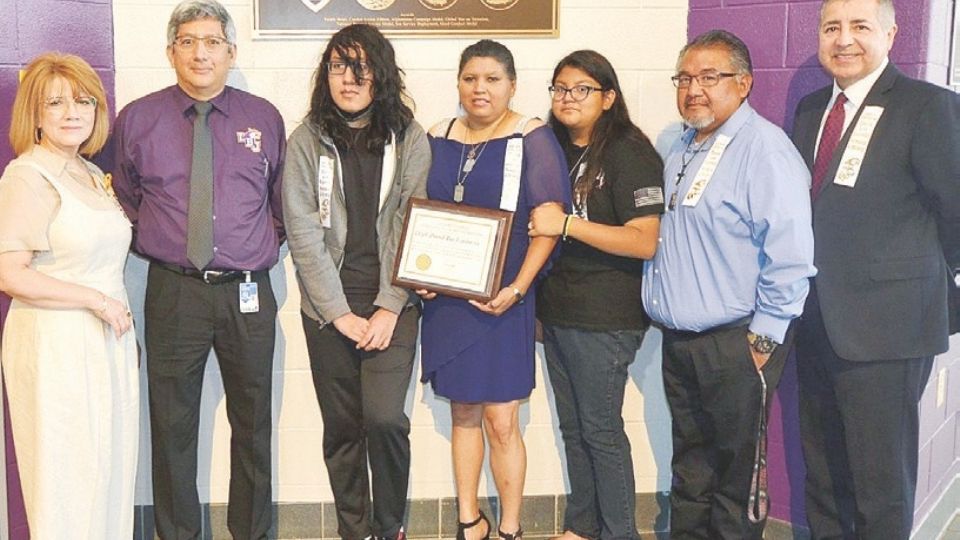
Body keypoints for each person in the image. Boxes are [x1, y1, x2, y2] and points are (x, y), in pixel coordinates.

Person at [100, 1, 286, 537]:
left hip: (247, 291)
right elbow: (125, 201)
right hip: (174, 290)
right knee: (172, 424)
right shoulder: (138, 119)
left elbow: (280, 205)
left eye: (212, 42)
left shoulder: (263, 117)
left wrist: (248, 247)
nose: (200, 53)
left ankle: (251, 532)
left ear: (231, 52)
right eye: (188, 41)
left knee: (253, 423)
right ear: (170, 52)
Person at [790, 0, 960, 537]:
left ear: (890, 35)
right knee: (823, 473)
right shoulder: (811, 110)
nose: (844, 39)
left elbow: (955, 211)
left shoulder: (927, 106)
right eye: (831, 28)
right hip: (815, 320)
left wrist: (923, 286)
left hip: (888, 329)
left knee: (880, 486)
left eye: (860, 26)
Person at [641, 30, 816, 539]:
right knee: (691, 467)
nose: (694, 89)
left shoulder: (765, 150)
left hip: (737, 341)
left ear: (744, 83)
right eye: (684, 78)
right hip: (681, 342)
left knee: (736, 477)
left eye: (709, 77)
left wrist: (764, 338)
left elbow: (791, 255)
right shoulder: (678, 143)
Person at [282, 24, 430, 540]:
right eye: (338, 66)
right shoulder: (306, 140)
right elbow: (303, 233)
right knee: (342, 427)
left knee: (386, 420)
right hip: (328, 308)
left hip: (393, 303)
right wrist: (339, 313)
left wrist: (390, 304)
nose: (349, 78)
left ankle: (390, 528)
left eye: (361, 67)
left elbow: (413, 222)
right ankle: (355, 530)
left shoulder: (409, 137)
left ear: (381, 74)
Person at [418, 39, 570, 540]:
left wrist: (518, 289)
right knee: (462, 411)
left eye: (492, 79)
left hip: (504, 301)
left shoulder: (532, 136)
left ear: (512, 85)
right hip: (448, 301)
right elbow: (417, 212)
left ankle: (509, 527)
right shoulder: (437, 134)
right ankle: (469, 520)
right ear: (458, 83)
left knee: (502, 420)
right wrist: (421, 277)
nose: (479, 88)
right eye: (470, 78)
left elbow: (547, 225)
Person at [0, 52, 137, 538]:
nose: (72, 112)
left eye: (83, 101)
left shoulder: (88, 173)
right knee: (68, 478)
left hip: (105, 343)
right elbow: (10, 274)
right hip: (57, 345)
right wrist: (95, 300)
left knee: (107, 469)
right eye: (55, 103)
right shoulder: (27, 176)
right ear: (35, 114)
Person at [528, 50, 663, 540]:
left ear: (608, 97)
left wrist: (568, 224)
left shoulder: (630, 152)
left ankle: (620, 532)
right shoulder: (549, 149)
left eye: (582, 89)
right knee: (574, 430)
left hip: (606, 318)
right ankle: (583, 528)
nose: (568, 98)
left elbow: (644, 240)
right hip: (558, 312)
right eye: (560, 88)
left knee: (601, 431)